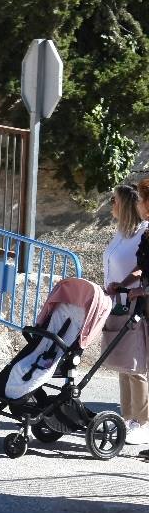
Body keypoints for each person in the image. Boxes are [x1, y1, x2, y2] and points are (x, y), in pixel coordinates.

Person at [101, 183, 149, 445]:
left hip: (137, 303)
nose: (111, 205)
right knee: (123, 363)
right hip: (119, 301)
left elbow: (143, 269)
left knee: (136, 364)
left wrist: (134, 287)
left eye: (114, 200)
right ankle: (127, 418)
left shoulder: (143, 232)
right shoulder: (122, 233)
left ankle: (142, 421)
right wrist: (118, 286)